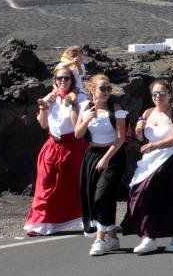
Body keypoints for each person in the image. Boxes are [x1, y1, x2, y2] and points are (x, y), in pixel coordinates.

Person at [121, 80, 173, 254]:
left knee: (172, 198)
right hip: (151, 159)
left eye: (162, 93)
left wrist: (155, 145)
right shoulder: (147, 112)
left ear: (170, 94)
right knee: (140, 192)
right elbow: (140, 139)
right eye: (155, 94)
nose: (158, 97)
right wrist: (139, 130)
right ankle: (148, 236)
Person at [25, 67, 87, 236]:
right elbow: (44, 124)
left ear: (72, 80)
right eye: (59, 78)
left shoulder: (80, 98)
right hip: (52, 146)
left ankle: (83, 218)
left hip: (73, 147)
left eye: (66, 78)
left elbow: (78, 127)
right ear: (55, 80)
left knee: (74, 185)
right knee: (45, 184)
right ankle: (40, 222)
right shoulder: (50, 98)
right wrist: (45, 107)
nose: (63, 81)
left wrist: (72, 103)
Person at [74, 74, 127, 256]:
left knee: (101, 194)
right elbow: (78, 135)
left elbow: (120, 139)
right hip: (92, 155)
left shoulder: (117, 109)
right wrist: (87, 118)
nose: (106, 92)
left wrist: (106, 159)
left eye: (108, 89)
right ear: (92, 90)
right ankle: (113, 237)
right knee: (105, 197)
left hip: (113, 156)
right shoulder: (85, 108)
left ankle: (99, 240)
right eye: (102, 89)